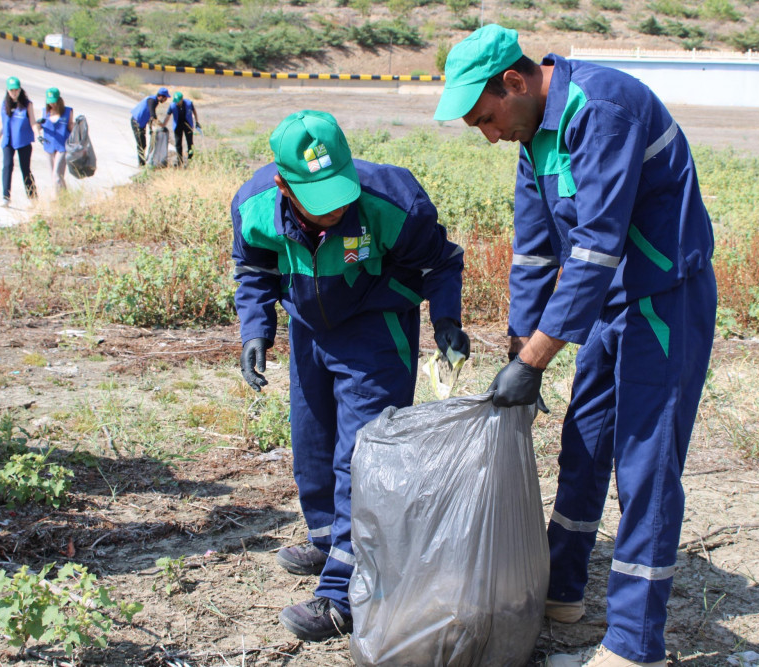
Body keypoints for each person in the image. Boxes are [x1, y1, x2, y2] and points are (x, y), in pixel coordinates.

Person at [434, 25, 717, 667]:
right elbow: (535, 253)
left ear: (515, 82)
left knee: (646, 463)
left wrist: (537, 362)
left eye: (486, 117)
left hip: (662, 298)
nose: (488, 133)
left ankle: (634, 643)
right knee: (584, 441)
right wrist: (516, 355)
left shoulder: (602, 108)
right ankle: (561, 589)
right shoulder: (532, 136)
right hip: (611, 305)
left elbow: (595, 248)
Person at [231, 110, 469, 642]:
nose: (335, 209)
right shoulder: (254, 207)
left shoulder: (392, 200)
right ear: (283, 185)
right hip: (308, 329)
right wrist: (256, 331)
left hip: (376, 329)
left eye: (340, 193)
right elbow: (254, 269)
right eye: (318, 201)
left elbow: (440, 263)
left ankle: (344, 595)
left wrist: (447, 320)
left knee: (360, 458)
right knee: (311, 442)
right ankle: (327, 538)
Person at [0, 76, 40, 206]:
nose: (14, 93)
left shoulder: (27, 104)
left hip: (23, 140)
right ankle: (5, 197)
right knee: (7, 167)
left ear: (20, 90)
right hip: (8, 141)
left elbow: (33, 122)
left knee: (25, 169)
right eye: (11, 90)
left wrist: (38, 134)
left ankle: (33, 197)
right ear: (7, 90)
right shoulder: (5, 104)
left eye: (16, 90)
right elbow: (1, 124)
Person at [38, 87, 75, 193]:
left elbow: (70, 126)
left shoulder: (67, 112)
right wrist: (38, 130)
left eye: (54, 102)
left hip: (62, 146)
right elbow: (37, 125)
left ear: (59, 100)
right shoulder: (45, 112)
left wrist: (77, 130)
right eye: (50, 102)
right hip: (49, 146)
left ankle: (56, 198)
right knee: (54, 176)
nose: (52, 105)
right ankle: (65, 197)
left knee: (57, 174)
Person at [129, 87, 169, 166]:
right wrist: (162, 125)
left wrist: (151, 129)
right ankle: (141, 164)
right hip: (136, 122)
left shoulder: (155, 101)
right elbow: (152, 115)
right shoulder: (151, 100)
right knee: (141, 144)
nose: (166, 100)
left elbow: (150, 118)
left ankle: (142, 163)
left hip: (141, 124)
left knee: (143, 144)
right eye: (165, 98)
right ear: (161, 96)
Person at [163, 91, 201, 166]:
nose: (176, 103)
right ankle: (179, 161)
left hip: (187, 125)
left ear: (182, 99)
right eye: (175, 101)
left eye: (178, 101)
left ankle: (191, 159)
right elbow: (168, 116)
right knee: (178, 143)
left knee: (190, 143)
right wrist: (163, 124)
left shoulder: (189, 103)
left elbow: (194, 112)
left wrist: (196, 121)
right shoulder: (172, 105)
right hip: (178, 125)